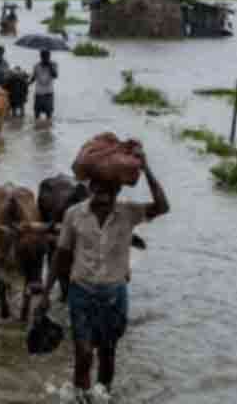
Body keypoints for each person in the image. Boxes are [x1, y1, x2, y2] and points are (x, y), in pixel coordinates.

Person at [43, 160, 170, 397]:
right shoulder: (73, 215)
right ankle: (82, 399)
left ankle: (103, 396)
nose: (102, 194)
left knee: (107, 354)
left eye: (109, 189)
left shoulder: (129, 212)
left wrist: (147, 169)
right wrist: (45, 294)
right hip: (81, 293)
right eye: (98, 188)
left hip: (114, 296)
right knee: (82, 355)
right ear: (90, 187)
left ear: (117, 191)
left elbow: (162, 206)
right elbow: (61, 255)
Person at [32, 49, 58, 122]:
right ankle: (37, 128)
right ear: (41, 57)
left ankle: (47, 129)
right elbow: (34, 77)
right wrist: (27, 83)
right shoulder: (36, 66)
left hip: (48, 93)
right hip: (38, 93)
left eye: (47, 57)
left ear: (49, 57)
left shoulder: (54, 64)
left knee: (49, 115)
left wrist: (50, 66)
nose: (45, 58)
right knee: (36, 115)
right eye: (44, 57)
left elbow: (55, 75)